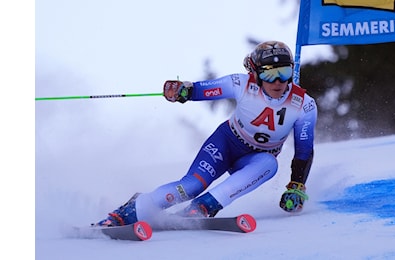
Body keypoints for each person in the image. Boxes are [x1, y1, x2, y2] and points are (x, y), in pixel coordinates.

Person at [95, 40, 317, 227]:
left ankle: (203, 207)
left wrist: (296, 187)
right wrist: (183, 90)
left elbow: (304, 150)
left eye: (284, 72)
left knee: (269, 164)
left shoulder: (304, 105)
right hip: (226, 143)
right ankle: (130, 211)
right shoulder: (240, 83)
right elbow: (204, 89)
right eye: (269, 74)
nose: (278, 81)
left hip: (254, 159)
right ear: (256, 74)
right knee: (191, 186)